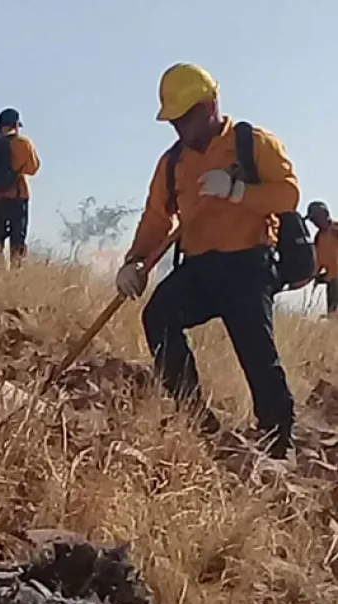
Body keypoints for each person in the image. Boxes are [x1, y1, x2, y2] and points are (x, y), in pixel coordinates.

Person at [115, 62, 299, 460]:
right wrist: (134, 262)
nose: (180, 127)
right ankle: (198, 421)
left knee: (256, 351)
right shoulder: (172, 163)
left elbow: (288, 195)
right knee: (158, 317)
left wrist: (237, 191)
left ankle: (278, 444)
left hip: (248, 265)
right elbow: (156, 219)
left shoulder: (253, 143)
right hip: (199, 268)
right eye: (174, 120)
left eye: (187, 117)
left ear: (211, 103)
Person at [0, 108, 41, 269]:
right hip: (18, 198)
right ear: (16, 125)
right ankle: (15, 275)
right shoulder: (23, 143)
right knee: (17, 241)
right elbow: (33, 168)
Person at [306, 200, 338, 316]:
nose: (314, 223)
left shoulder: (335, 230)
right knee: (333, 317)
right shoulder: (319, 237)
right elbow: (318, 261)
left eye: (315, 218)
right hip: (332, 283)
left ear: (325, 214)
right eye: (312, 220)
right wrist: (314, 275)